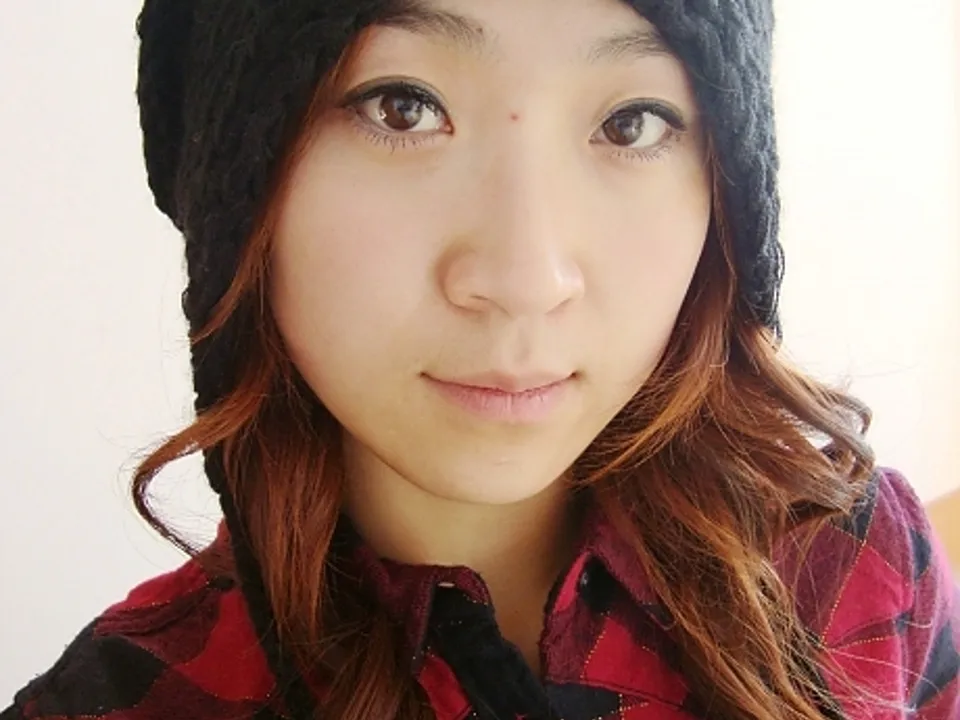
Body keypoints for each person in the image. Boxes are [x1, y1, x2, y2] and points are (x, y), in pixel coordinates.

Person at [4, 0, 958, 718]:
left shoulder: (855, 562)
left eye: (631, 123)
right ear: (237, 185)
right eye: (402, 107)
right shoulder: (127, 702)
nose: (525, 278)